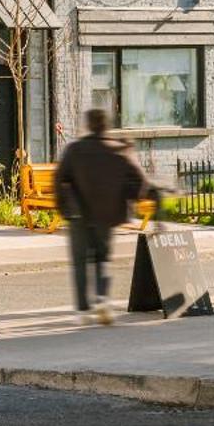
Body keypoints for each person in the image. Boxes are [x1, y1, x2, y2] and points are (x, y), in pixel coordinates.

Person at [53, 108, 154, 325]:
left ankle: (82, 311)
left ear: (88, 125)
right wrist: (128, 199)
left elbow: (59, 179)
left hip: (78, 215)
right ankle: (101, 300)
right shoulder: (119, 150)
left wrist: (63, 207)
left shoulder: (75, 149)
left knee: (80, 263)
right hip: (107, 215)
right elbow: (140, 182)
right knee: (102, 259)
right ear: (106, 125)